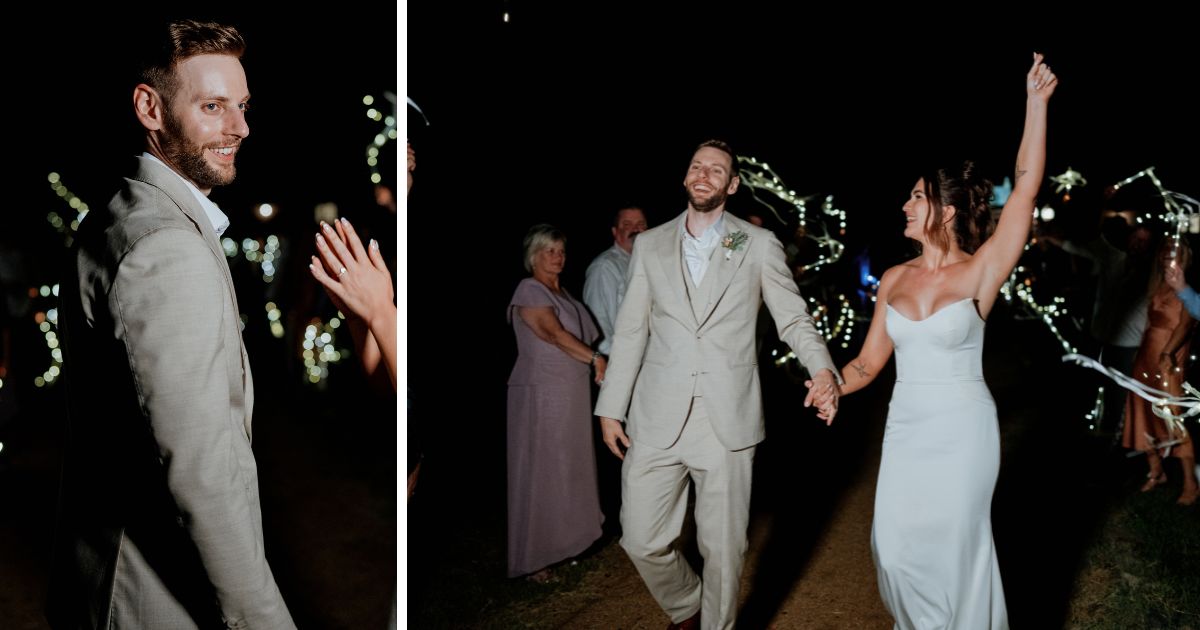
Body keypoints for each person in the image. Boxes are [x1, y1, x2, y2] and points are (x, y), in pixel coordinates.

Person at [52, 20, 296, 628]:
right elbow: (201, 468)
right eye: (213, 107)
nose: (240, 127)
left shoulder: (120, 210)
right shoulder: (167, 249)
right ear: (150, 108)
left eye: (241, 106)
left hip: (105, 571)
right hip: (153, 590)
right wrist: (262, 619)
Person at [835, 53, 1057, 629]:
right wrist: (831, 384)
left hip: (963, 430)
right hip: (908, 427)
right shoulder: (893, 279)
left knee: (958, 553)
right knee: (895, 551)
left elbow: (1028, 185)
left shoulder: (981, 272)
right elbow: (865, 365)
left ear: (946, 208)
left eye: (915, 196)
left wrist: (1035, 105)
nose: (904, 205)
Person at [596, 140, 840, 630]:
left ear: (730, 185)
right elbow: (630, 331)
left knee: (723, 549)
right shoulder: (650, 244)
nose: (703, 174)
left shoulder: (757, 244)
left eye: (716, 170)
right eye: (696, 166)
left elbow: (793, 317)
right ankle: (688, 606)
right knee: (640, 537)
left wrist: (824, 370)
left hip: (727, 418)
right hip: (656, 415)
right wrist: (610, 407)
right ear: (686, 178)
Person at [506, 224, 606, 581]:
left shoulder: (566, 294)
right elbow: (552, 333)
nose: (557, 257)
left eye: (561, 250)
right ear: (533, 256)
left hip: (571, 394)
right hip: (542, 395)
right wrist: (595, 359)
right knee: (542, 471)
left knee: (570, 469)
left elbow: (590, 332)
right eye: (550, 251)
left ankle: (566, 546)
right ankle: (536, 559)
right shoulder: (529, 289)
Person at [1124, 240, 1198, 505]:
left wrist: (1167, 353)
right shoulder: (1157, 284)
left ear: (1185, 256)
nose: (1168, 254)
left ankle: (1191, 483)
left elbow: (1186, 324)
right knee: (1142, 413)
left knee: (1173, 419)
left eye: (1174, 250)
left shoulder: (1186, 286)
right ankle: (1156, 471)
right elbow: (1148, 323)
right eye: (1164, 250)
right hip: (1146, 356)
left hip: (1169, 358)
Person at [583, 206, 648, 356]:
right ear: (615, 232)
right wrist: (616, 361)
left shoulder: (648, 264)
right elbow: (597, 319)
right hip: (622, 359)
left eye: (641, 224)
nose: (635, 229)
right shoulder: (605, 266)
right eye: (627, 224)